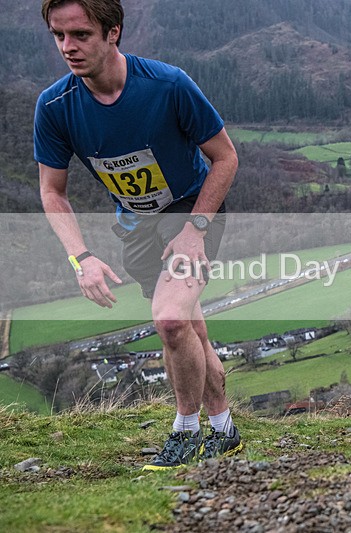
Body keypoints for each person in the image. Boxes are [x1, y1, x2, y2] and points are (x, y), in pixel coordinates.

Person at [35, 0, 241, 470]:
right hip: (136, 224)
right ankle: (224, 429)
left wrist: (196, 229)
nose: (68, 47)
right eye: (58, 36)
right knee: (190, 329)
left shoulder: (168, 85)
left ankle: (185, 432)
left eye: (81, 34)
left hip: (192, 210)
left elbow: (226, 158)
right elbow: (52, 191)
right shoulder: (55, 106)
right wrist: (80, 257)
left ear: (113, 32)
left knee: (169, 320)